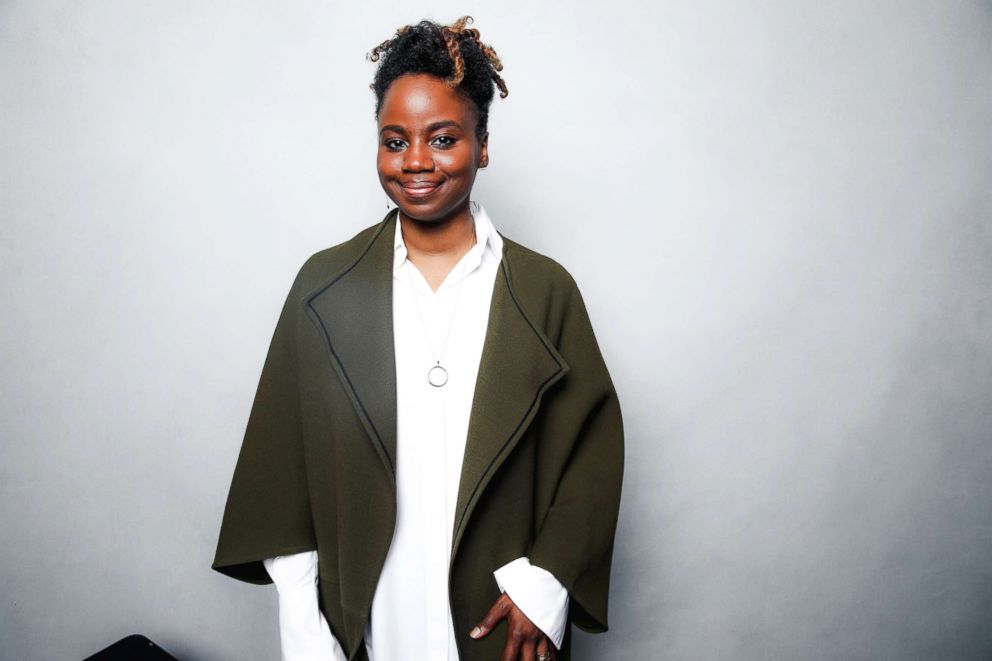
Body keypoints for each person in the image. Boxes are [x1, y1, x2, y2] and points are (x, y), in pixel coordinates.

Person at [211, 16, 624, 661]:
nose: (418, 163)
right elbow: (281, 464)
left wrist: (545, 585)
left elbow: (591, 455)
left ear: (482, 145)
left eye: (444, 138)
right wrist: (303, 623)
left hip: (497, 625)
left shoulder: (545, 290)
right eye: (395, 140)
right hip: (369, 620)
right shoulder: (325, 286)